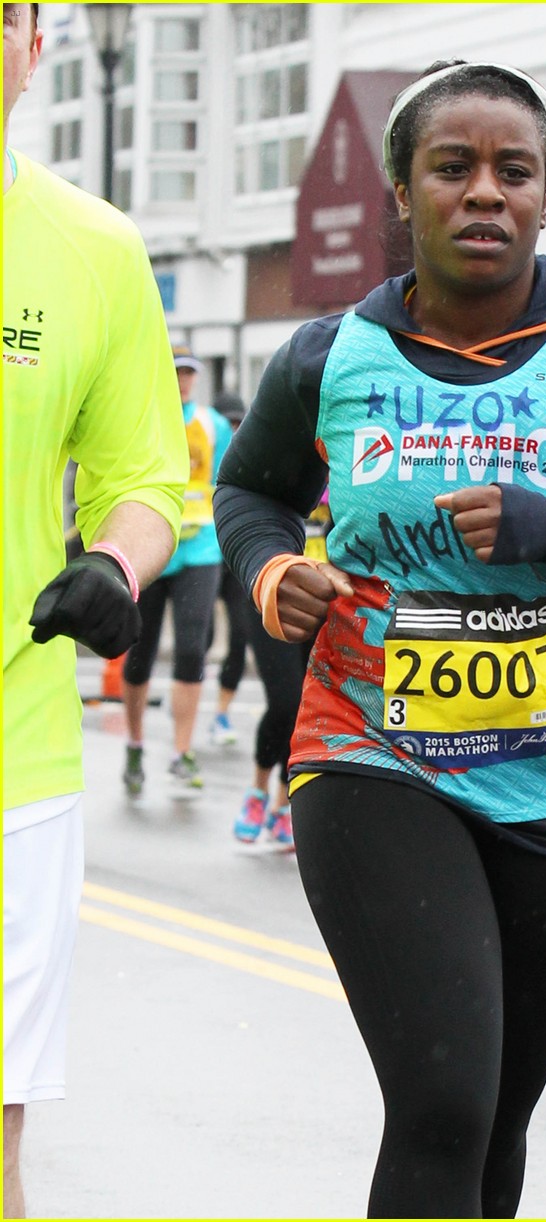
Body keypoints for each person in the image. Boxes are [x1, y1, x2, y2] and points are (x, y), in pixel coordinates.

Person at [215, 60, 546, 1218]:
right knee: (445, 1102)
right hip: (372, 754)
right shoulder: (327, 356)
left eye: (515, 171)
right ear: (402, 194)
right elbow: (249, 490)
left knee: (497, 1116)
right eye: (451, 168)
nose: (484, 194)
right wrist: (270, 570)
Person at [2, 4, 188, 1215]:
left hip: (10, 745)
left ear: (31, 38)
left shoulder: (91, 245)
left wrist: (117, 567)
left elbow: (145, 481)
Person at [121, 346, 233, 794]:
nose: (183, 381)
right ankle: (134, 744)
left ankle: (181, 751)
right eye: (176, 373)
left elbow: (228, 482)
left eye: (189, 374)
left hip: (200, 548)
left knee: (191, 649)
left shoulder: (214, 425)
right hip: (150, 545)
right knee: (140, 650)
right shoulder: (141, 417)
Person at [232, 492, 331, 850]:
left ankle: (282, 804)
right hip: (274, 590)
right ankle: (257, 791)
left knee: (306, 706)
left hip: (325, 592)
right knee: (286, 700)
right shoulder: (276, 444)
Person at [208, 390, 250, 747]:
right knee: (201, 638)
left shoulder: (252, 452)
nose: (235, 430)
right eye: (230, 423)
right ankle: (186, 686)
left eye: (240, 423)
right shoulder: (205, 449)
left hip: (233, 559)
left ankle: (222, 711)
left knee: (238, 636)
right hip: (203, 557)